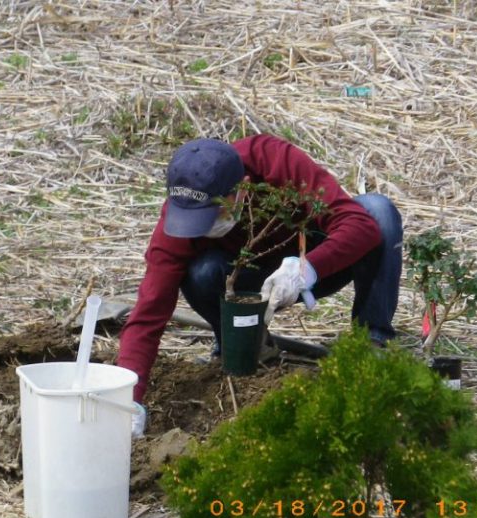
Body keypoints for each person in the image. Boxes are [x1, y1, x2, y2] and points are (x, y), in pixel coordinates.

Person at [117, 135, 403, 437]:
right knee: (201, 272)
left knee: (377, 212)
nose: (200, 227)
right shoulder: (180, 214)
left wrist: (306, 270)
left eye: (209, 215)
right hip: (241, 281)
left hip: (308, 265)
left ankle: (373, 342)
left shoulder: (272, 160)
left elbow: (356, 224)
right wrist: (126, 401)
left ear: (240, 190)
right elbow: (149, 312)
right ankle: (242, 345)